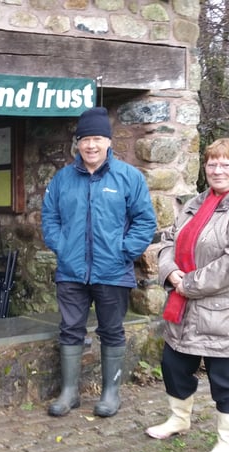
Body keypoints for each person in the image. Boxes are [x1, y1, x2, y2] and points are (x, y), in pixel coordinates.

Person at [41, 106, 156, 418]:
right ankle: (69, 392)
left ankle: (110, 393)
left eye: (96, 138)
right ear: (77, 144)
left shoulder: (129, 178)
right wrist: (61, 246)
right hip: (71, 270)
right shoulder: (63, 179)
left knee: (112, 330)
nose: (90, 145)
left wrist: (124, 251)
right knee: (70, 329)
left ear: (108, 141)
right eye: (84, 139)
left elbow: (145, 222)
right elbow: (49, 218)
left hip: (113, 270)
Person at [146, 138, 229, 452]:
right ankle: (179, 419)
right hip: (183, 308)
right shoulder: (195, 203)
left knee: (224, 380)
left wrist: (188, 283)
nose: (218, 169)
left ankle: (226, 444)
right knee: (173, 365)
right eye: (212, 163)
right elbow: (168, 240)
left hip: (220, 313)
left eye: (225, 163)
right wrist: (171, 272)